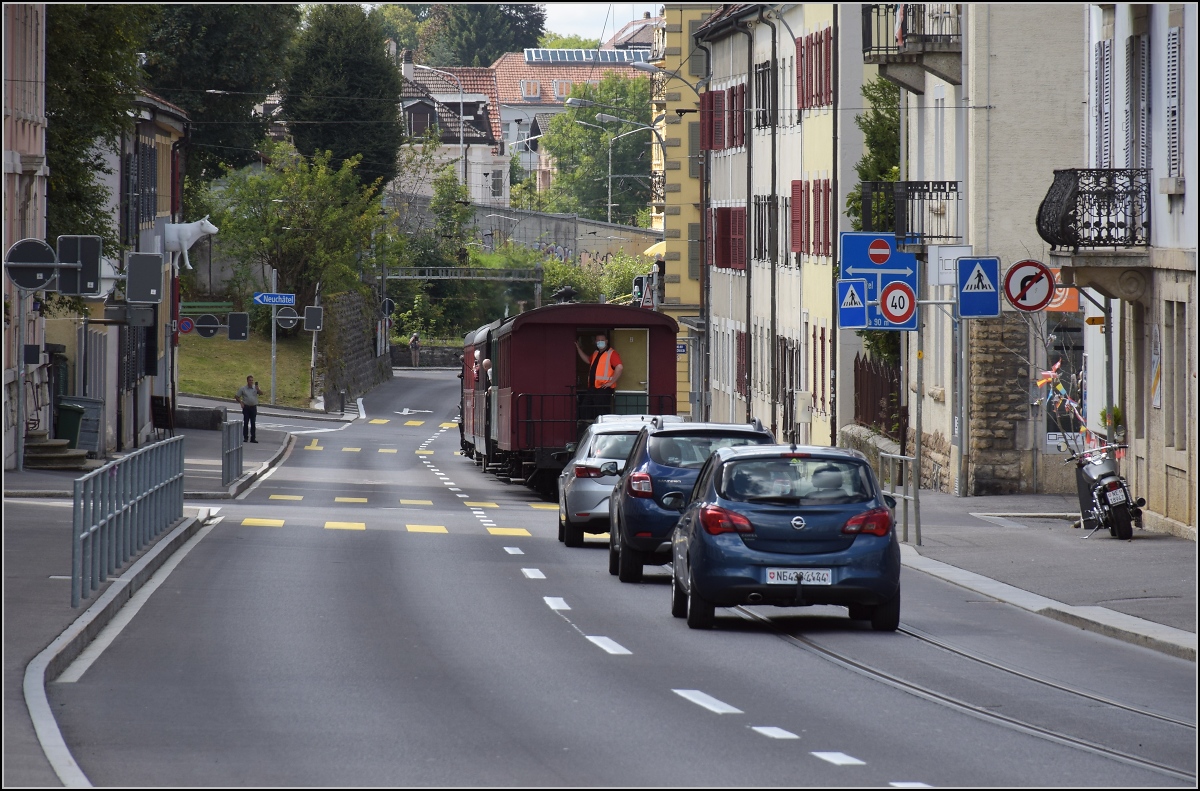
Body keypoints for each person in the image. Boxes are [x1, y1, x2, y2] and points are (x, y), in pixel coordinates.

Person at [575, 332, 623, 426]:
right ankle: (587, 428)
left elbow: (619, 367)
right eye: (598, 340)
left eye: (602, 340)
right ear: (595, 342)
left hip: (603, 389)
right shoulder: (596, 353)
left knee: (602, 412)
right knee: (585, 408)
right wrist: (578, 349)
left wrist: (611, 382)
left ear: (606, 341)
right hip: (593, 388)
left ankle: (603, 430)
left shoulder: (611, 353)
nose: (600, 342)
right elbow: (588, 360)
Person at [235, 375, 262, 443]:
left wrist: (258, 389)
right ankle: (245, 437)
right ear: (247, 381)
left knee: (253, 423)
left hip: (253, 407)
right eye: (250, 380)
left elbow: (261, 393)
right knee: (246, 422)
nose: (251, 382)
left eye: (252, 380)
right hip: (246, 407)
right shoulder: (243, 388)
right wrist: (241, 402)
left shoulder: (255, 388)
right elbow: (237, 396)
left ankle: (253, 438)